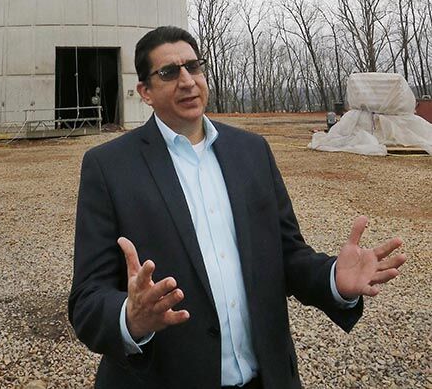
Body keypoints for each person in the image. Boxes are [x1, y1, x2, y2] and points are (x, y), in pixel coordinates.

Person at [68, 26, 405, 389]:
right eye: (169, 72)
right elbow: (87, 299)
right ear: (145, 93)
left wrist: (333, 278)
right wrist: (131, 318)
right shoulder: (109, 167)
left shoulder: (251, 151)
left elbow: (287, 254)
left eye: (193, 67)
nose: (187, 81)